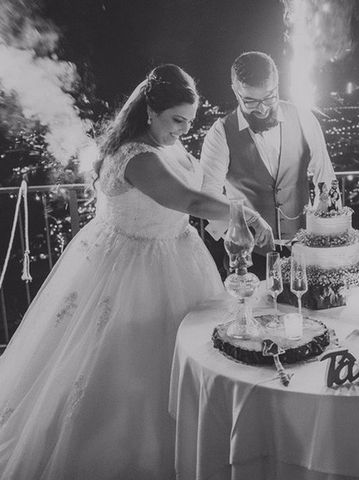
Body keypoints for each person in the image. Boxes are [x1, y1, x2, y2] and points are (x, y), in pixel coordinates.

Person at [0, 64, 273, 480]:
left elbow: (196, 193)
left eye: (188, 122)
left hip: (177, 256)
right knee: (135, 376)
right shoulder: (137, 157)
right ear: (150, 110)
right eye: (176, 121)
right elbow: (189, 200)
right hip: (136, 270)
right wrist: (246, 213)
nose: (183, 131)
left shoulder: (163, 144)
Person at [200, 51, 336, 276]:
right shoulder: (220, 133)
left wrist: (323, 234)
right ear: (236, 91)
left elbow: (325, 178)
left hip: (304, 251)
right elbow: (208, 196)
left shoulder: (304, 118)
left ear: (278, 85)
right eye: (251, 101)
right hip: (249, 258)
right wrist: (237, 237)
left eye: (269, 97)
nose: (262, 109)